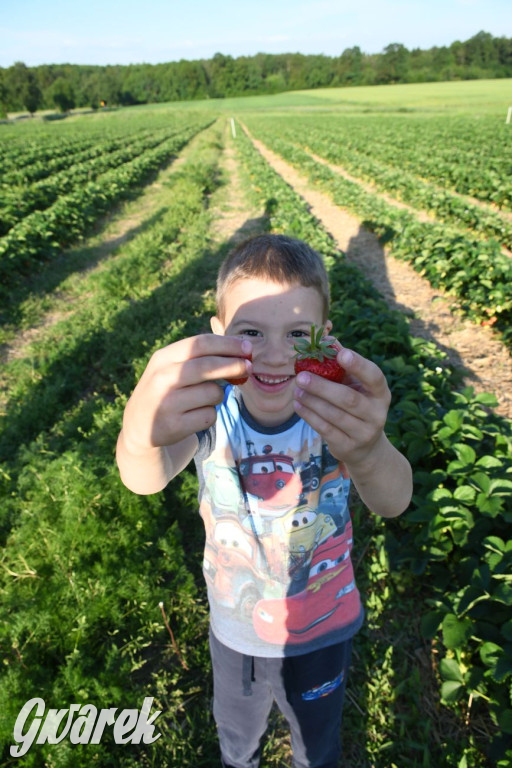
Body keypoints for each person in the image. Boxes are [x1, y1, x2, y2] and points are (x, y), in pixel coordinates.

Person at [116, 233, 413, 768]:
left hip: (324, 620)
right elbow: (145, 477)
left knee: (317, 744)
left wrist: (368, 451)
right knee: (238, 738)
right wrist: (139, 435)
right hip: (238, 627)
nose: (275, 354)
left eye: (297, 333)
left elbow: (393, 500)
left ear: (326, 338)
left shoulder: (337, 413)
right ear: (218, 336)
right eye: (251, 332)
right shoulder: (214, 411)